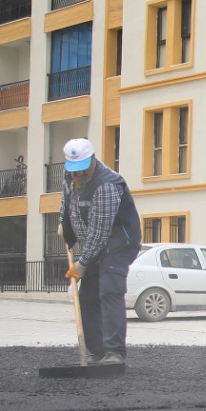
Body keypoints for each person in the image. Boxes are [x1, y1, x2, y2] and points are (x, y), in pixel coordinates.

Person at [58, 138, 141, 366]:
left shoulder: (106, 185)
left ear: (93, 160)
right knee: (87, 298)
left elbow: (100, 231)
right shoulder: (69, 176)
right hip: (94, 246)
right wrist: (63, 225)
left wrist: (82, 264)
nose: (78, 177)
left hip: (118, 245)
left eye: (83, 172)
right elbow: (67, 202)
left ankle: (114, 353)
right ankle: (96, 351)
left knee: (109, 290)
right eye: (74, 173)